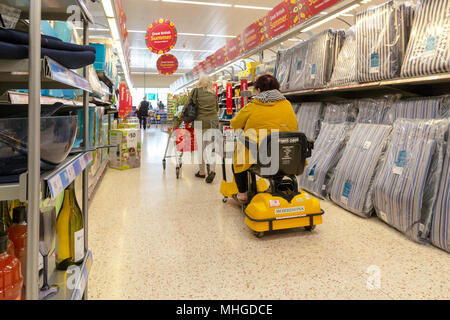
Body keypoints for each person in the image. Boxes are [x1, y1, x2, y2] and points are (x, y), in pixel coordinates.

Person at [230, 74, 298, 204]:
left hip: (260, 158)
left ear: (259, 90)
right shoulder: (287, 104)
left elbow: (234, 123)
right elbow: (294, 126)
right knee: (279, 155)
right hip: (286, 156)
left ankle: (242, 194)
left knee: (238, 157)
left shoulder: (253, 105)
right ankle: (275, 185)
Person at [187, 74, 219, 183]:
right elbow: (217, 108)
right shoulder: (213, 93)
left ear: (200, 81)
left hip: (200, 122)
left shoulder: (195, 91)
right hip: (213, 122)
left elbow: (188, 106)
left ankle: (202, 172)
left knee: (201, 148)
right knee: (210, 147)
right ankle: (212, 170)